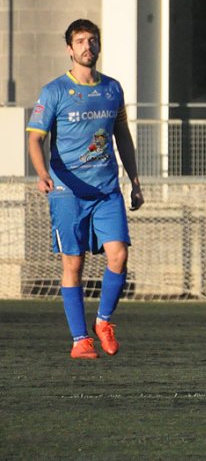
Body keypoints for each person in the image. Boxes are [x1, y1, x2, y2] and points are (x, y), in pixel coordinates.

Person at [26, 19, 144, 359]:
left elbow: (122, 136)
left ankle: (104, 321)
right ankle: (80, 340)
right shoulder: (54, 92)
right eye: (80, 41)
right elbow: (36, 138)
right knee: (73, 264)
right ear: (69, 48)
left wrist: (135, 182)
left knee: (119, 254)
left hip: (107, 189)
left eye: (92, 40)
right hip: (67, 191)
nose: (87, 46)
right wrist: (41, 173)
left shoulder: (112, 89)